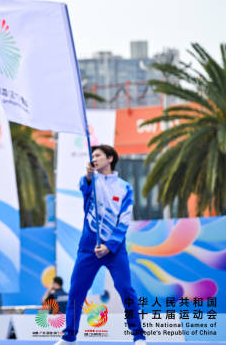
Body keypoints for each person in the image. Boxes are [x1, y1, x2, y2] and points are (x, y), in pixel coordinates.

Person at [55, 145, 146, 345]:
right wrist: (88, 176)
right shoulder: (91, 182)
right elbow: (84, 187)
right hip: (88, 248)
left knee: (126, 289)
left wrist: (109, 246)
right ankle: (69, 336)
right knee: (76, 290)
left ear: (110, 158)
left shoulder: (125, 188)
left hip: (115, 250)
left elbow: (124, 220)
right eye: (92, 156)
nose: (94, 158)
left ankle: (138, 336)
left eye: (98, 155)